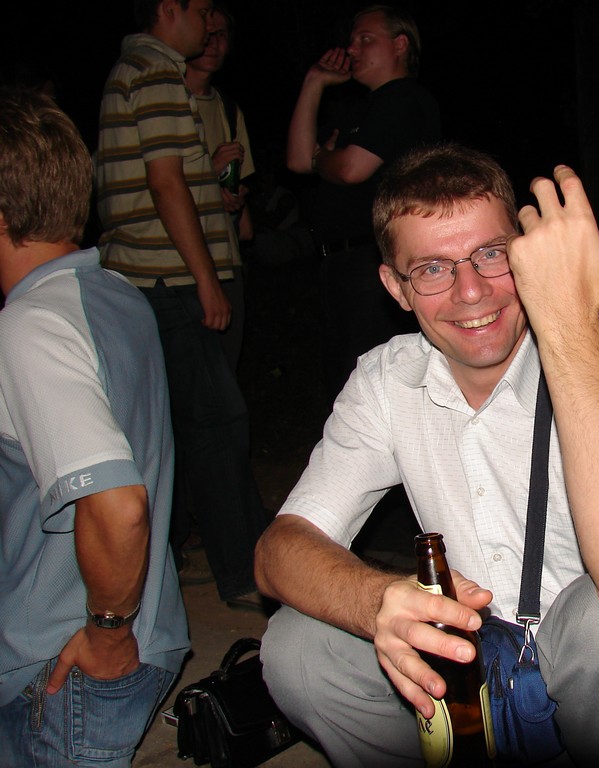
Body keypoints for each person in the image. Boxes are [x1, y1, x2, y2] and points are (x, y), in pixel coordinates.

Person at [254, 143, 599, 767]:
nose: (470, 291)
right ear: (396, 288)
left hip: (580, 665)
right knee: (299, 646)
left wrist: (569, 319)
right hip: (457, 669)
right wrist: (379, 601)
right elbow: (279, 551)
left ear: (527, 256)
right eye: (432, 269)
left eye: (491, 254)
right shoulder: (387, 380)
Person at [0, 87, 189, 766]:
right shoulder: (116, 295)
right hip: (150, 632)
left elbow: (117, 503)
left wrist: (108, 630)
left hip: (66, 666)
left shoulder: (31, 326)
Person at [95, 0, 272, 610]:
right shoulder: (156, 70)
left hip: (151, 277)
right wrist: (204, 280)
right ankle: (244, 573)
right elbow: (165, 181)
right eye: (201, 10)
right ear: (169, 8)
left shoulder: (136, 69)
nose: (209, 24)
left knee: (174, 423)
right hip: (166, 279)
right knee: (217, 422)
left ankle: (167, 559)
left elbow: (176, 180)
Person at [286, 4, 441, 400]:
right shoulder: (362, 109)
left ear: (400, 45)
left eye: (365, 40)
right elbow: (299, 160)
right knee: (345, 382)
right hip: (341, 264)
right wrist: (314, 82)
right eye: (352, 41)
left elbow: (350, 168)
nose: (352, 49)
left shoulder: (402, 99)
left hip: (374, 263)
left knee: (369, 387)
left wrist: (324, 158)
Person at [184, 1, 255, 373]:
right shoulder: (164, 101)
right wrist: (208, 170)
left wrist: (235, 200)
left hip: (225, 259)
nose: (213, 43)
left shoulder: (228, 109)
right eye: (207, 33)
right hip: (176, 266)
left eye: (222, 35)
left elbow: (237, 186)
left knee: (224, 372)